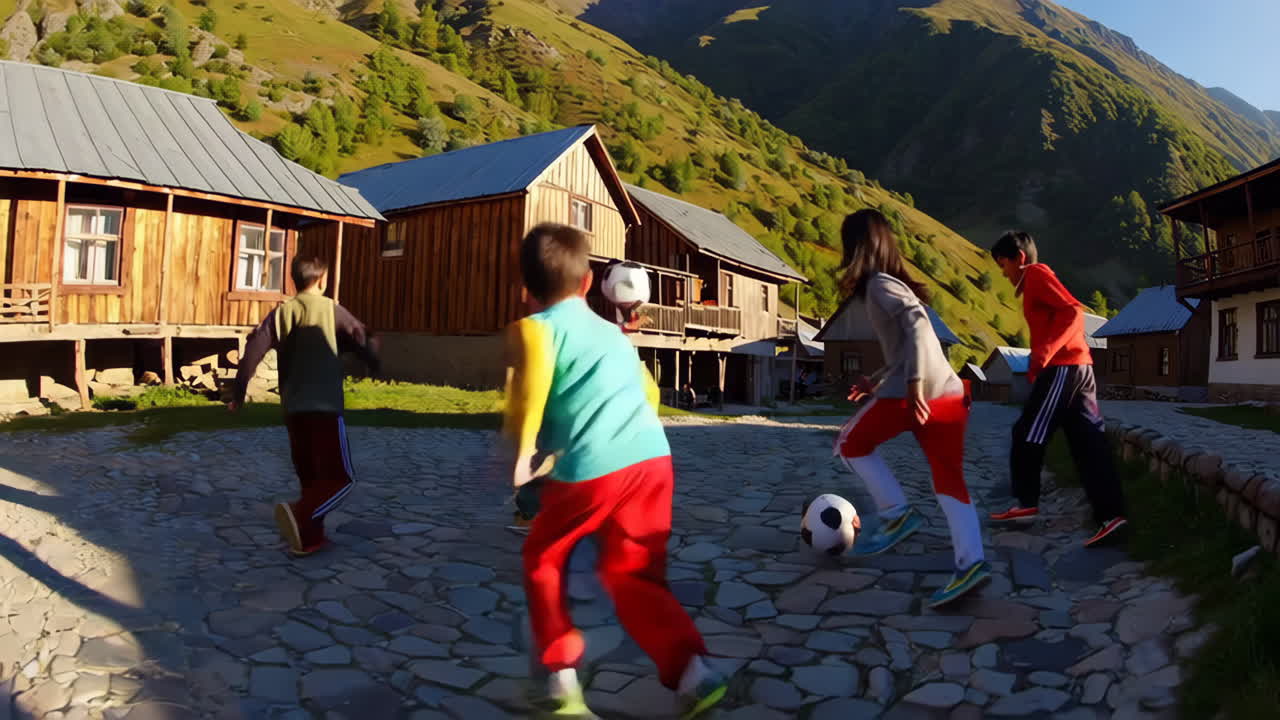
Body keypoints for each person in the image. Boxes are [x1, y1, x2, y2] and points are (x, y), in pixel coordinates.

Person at [501, 223, 726, 719]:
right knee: (634, 574)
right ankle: (694, 672)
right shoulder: (614, 334)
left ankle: (560, 681)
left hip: (593, 466)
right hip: (652, 460)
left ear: (525, 290)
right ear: (587, 284)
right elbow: (648, 394)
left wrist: (523, 455)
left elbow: (531, 390)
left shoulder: (535, 329)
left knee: (542, 556)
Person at [832, 209, 990, 608]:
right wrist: (877, 379)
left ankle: (896, 512)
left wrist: (915, 385)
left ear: (856, 247)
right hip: (949, 395)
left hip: (915, 396)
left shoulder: (881, 285)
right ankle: (971, 562)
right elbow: (906, 348)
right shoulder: (889, 284)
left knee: (850, 444)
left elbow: (920, 324)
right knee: (948, 479)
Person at [229, 256, 380, 557]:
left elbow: (253, 350)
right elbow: (360, 336)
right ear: (322, 280)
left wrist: (238, 392)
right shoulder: (332, 310)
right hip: (324, 407)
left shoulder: (281, 313)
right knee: (340, 479)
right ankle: (303, 515)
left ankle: (309, 539)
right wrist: (373, 359)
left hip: (294, 410)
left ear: (294, 280)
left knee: (311, 478)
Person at [987, 231, 1127, 546]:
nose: (1003, 273)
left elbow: (1072, 311)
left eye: (1003, 264)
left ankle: (1025, 505)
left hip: (1063, 367)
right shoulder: (1033, 282)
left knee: (1026, 434)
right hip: (1080, 367)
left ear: (1019, 259)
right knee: (1088, 444)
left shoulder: (1035, 274)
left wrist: (1045, 353)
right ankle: (1112, 516)